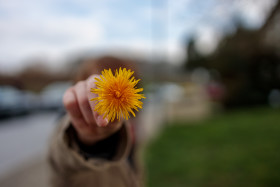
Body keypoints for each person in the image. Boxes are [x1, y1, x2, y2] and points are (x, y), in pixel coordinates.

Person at [48, 56, 144, 187]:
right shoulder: (69, 129)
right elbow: (61, 157)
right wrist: (84, 138)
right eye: (101, 86)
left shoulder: (129, 128)